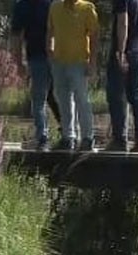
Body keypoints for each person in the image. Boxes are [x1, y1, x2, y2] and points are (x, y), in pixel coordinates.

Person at [48, 0, 100, 152]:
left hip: (79, 61)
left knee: (82, 99)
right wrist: (49, 47)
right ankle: (68, 137)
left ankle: (87, 138)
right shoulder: (55, 7)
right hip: (59, 61)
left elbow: (95, 35)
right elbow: (50, 30)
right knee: (63, 99)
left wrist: (92, 62)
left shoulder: (87, 8)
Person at [11, 0, 61, 151]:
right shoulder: (54, 4)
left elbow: (16, 37)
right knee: (58, 96)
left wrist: (19, 63)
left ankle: (42, 138)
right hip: (59, 56)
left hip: (38, 56)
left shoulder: (22, 6)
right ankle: (69, 134)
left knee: (39, 99)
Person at [104, 0, 138, 153]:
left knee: (115, 94)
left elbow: (123, 22)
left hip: (127, 49)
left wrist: (121, 51)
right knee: (135, 95)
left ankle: (119, 139)